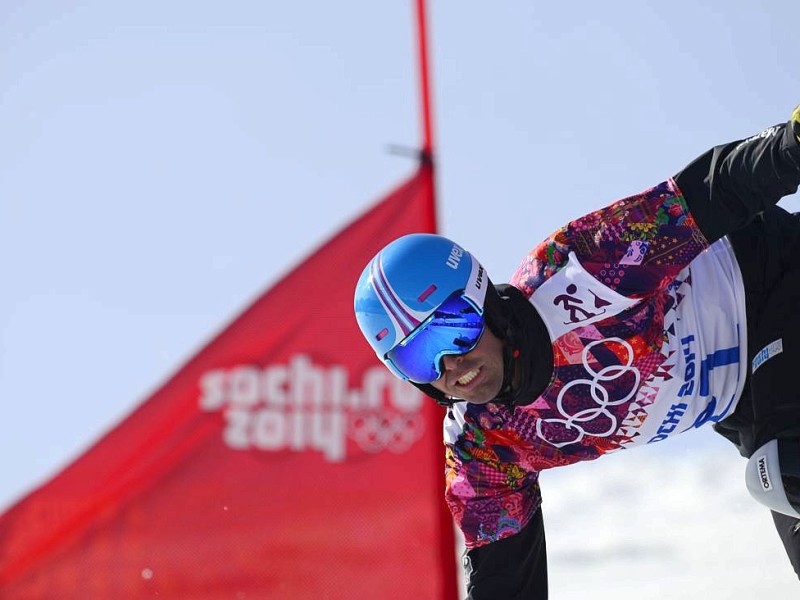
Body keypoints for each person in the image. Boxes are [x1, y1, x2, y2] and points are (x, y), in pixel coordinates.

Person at [353, 104, 800, 599]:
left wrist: (792, 143)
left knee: (789, 469)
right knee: (781, 479)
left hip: (774, 285)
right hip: (744, 401)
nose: (449, 368)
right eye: (419, 360)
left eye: (449, 332)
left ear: (481, 300)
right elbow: (505, 582)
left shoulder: (575, 275)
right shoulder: (485, 448)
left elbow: (710, 192)